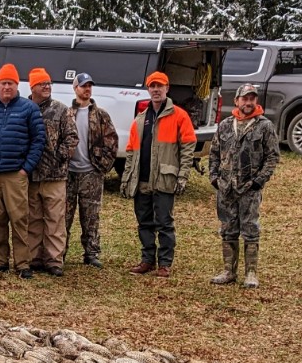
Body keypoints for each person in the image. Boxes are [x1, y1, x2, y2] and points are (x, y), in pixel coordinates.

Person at [120, 71, 196, 278]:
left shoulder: (179, 115)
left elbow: (188, 147)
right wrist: (127, 178)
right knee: (144, 222)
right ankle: (147, 260)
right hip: (142, 179)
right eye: (152, 86)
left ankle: (164, 264)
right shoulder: (140, 119)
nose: (156, 90)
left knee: (164, 223)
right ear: (148, 89)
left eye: (159, 86)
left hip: (164, 178)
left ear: (167, 88)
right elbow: (131, 151)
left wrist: (182, 176)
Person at [0, 64, 45, 278]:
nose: (6, 87)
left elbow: (38, 140)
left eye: (10, 83)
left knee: (19, 218)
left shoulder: (29, 108)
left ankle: (22, 263)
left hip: (15, 174)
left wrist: (25, 169)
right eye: (3, 83)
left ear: (17, 85)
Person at [208, 83, 280, 288]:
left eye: (252, 99)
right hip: (226, 188)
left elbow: (272, 157)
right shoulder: (225, 125)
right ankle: (229, 271)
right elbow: (214, 153)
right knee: (227, 230)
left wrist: (259, 181)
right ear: (236, 101)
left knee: (250, 230)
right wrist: (214, 177)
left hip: (249, 189)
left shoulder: (264, 126)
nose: (248, 102)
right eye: (245, 99)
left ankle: (251, 273)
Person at [24, 68, 78, 277]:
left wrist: (58, 159)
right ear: (32, 87)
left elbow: (72, 138)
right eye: (42, 84)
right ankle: (34, 258)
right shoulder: (24, 108)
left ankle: (54, 260)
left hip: (55, 177)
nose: (47, 87)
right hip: (31, 175)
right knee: (33, 219)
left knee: (55, 220)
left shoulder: (61, 110)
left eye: (49, 83)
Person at [65, 73, 119, 268]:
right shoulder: (66, 114)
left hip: (91, 173)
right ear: (75, 88)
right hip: (69, 174)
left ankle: (91, 253)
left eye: (89, 86)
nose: (87, 89)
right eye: (83, 86)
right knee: (63, 217)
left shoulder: (101, 115)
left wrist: (101, 167)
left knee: (91, 216)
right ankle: (58, 253)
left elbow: (112, 142)